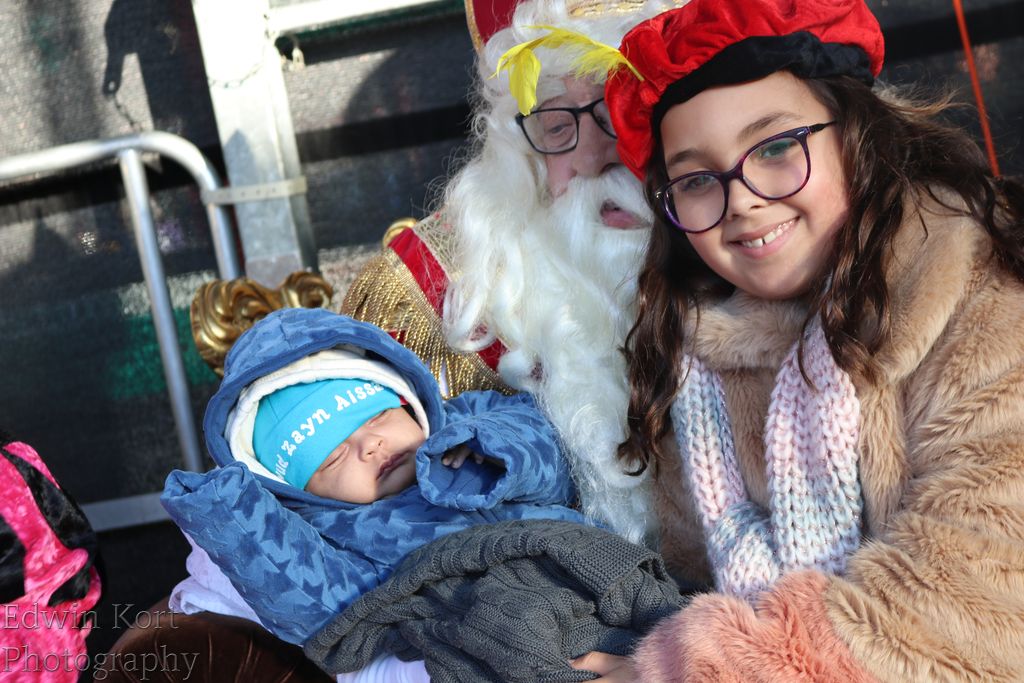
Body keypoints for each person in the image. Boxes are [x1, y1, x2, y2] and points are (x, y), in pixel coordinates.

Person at [538, 0, 1024, 679]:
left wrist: (702, 668)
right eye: (697, 179)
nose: (741, 198)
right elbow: (686, 570)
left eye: (773, 147)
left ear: (856, 134)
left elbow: (989, 585)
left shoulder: (973, 286)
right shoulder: (694, 363)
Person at [343, 0, 682, 545]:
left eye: (620, 109)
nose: (592, 157)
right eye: (556, 124)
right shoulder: (435, 296)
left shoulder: (785, 237)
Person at [161, 306, 589, 647]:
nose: (370, 445)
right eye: (332, 458)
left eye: (378, 417)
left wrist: (494, 446)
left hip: (587, 562)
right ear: (303, 492)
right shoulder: (334, 534)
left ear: (407, 402)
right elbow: (321, 613)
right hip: (497, 632)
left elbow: (563, 461)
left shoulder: (468, 423)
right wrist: (233, 520)